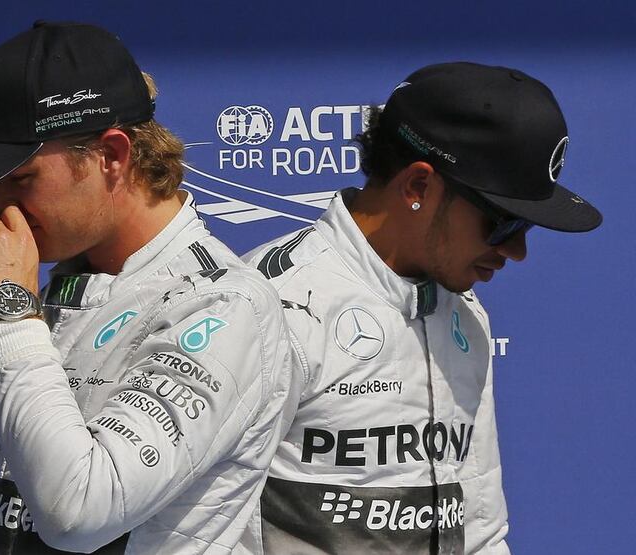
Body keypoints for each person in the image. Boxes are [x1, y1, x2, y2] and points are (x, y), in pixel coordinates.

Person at [0, 21, 300, 554]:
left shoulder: (221, 306)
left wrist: (9, 314)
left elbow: (79, 512)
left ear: (112, 157)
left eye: (20, 178)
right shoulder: (64, 285)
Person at [242, 62, 602, 554]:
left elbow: (479, 528)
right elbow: (199, 532)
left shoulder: (464, 312)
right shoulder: (263, 305)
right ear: (418, 187)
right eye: (502, 223)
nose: (517, 251)